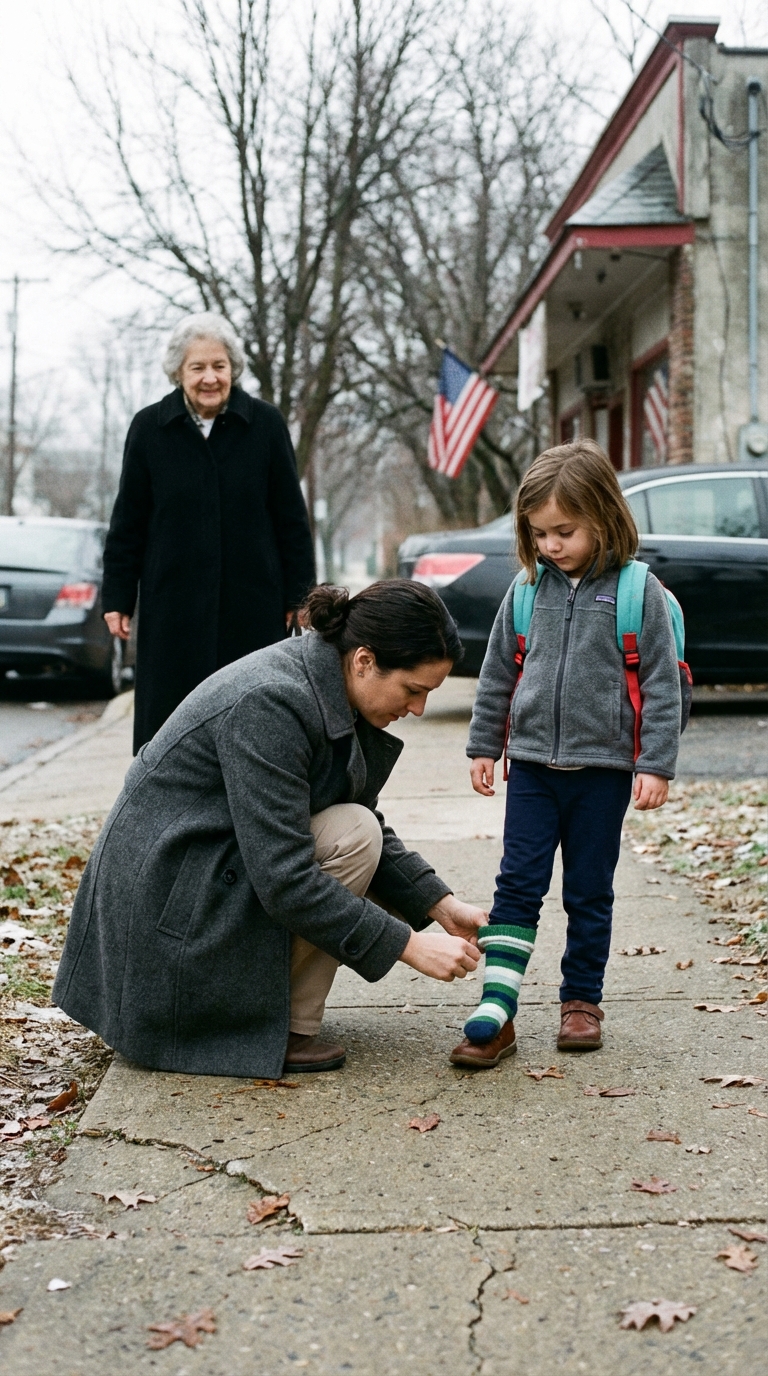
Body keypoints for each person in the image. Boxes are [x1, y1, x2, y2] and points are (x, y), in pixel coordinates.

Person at [53, 580, 484, 1078]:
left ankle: (275, 1019)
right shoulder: (272, 702)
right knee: (353, 834)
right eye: (413, 690)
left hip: (195, 879)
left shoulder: (329, 683)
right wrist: (408, 946)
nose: (418, 709)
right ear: (365, 660)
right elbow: (285, 879)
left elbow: (348, 815)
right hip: (164, 923)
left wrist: (440, 905)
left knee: (357, 829)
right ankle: (268, 1029)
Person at [450, 439, 681, 1069]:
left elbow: (662, 683)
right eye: (539, 533)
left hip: (603, 773)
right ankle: (497, 1009)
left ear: (604, 517)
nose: (551, 545)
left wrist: (655, 762)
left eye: (565, 532)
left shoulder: (637, 591)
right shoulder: (526, 589)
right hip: (531, 767)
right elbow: (498, 673)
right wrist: (484, 744)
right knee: (517, 884)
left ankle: (582, 1000)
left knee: (588, 890)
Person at [101, 312, 316, 753]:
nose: (210, 378)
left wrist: (300, 597)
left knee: (253, 718)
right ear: (179, 372)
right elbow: (128, 521)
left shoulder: (265, 425)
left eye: (219, 365)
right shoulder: (148, 428)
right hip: (172, 607)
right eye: (197, 367)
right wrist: (118, 597)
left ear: (232, 368)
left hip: (252, 605)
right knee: (169, 727)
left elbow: (291, 519)